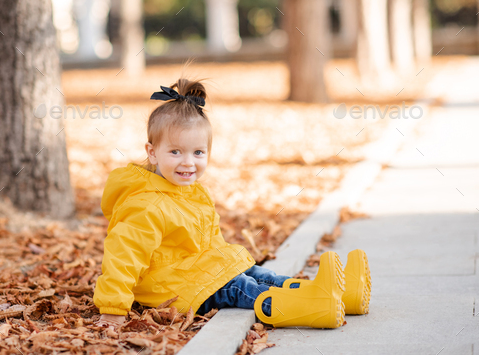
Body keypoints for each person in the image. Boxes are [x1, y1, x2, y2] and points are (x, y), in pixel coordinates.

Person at [93, 77, 371, 329]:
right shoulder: (146, 204)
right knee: (239, 288)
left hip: (195, 273)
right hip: (172, 288)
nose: (188, 162)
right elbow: (123, 257)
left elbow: (209, 243)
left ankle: (340, 294)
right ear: (152, 153)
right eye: (175, 151)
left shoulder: (193, 193)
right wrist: (113, 310)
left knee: (254, 273)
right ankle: (310, 307)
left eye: (198, 152)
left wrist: (225, 264)